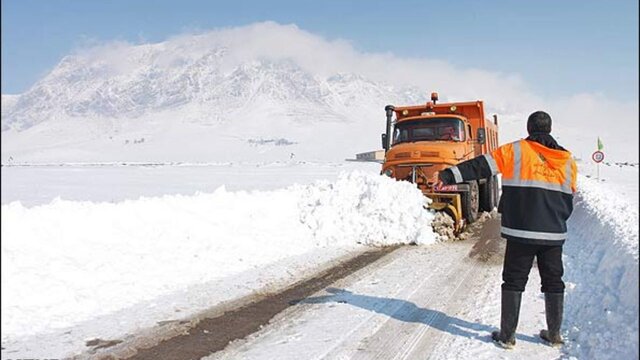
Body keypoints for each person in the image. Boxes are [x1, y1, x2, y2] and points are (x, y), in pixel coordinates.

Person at [436, 111, 577, 349]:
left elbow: (481, 166)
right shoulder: (567, 159)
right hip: (554, 233)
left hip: (521, 231)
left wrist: (449, 174)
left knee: (513, 281)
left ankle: (508, 337)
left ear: (529, 128)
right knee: (554, 282)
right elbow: (569, 194)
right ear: (550, 129)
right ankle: (554, 335)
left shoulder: (516, 151)